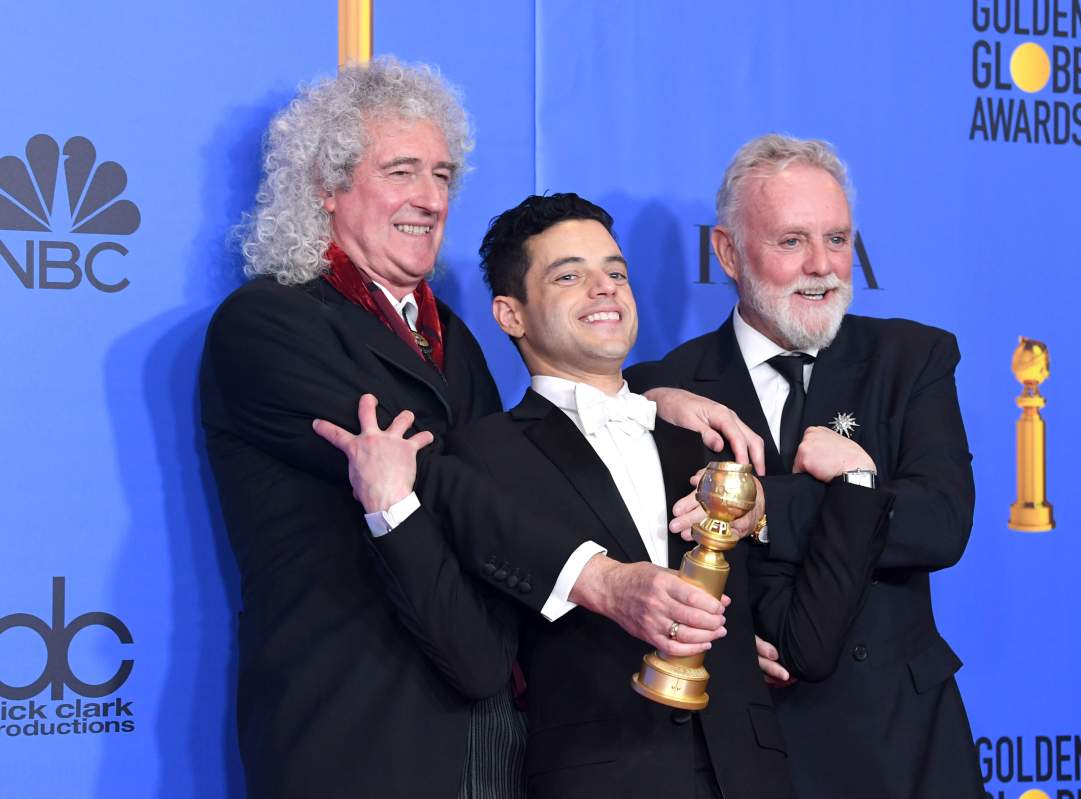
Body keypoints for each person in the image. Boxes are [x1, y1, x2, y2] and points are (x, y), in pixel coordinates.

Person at [200, 59, 758, 798]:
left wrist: (647, 398)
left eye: (442, 175)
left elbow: (523, 478)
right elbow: (439, 480)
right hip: (358, 734)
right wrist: (600, 580)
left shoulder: (451, 338)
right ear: (327, 188)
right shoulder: (268, 324)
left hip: (491, 731)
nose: (430, 198)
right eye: (402, 172)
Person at [316, 193, 895, 799]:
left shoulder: (708, 444)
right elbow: (474, 660)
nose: (604, 289)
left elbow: (806, 644)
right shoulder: (479, 459)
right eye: (570, 275)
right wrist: (391, 510)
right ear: (510, 315)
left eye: (616, 272)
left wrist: (856, 486)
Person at [626, 135, 985, 798]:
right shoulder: (666, 388)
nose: (823, 266)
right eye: (792, 241)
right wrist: (731, 652)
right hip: (746, 746)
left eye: (839, 239)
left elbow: (941, 522)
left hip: (901, 743)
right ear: (728, 253)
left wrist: (760, 507)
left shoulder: (912, 359)